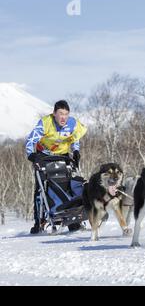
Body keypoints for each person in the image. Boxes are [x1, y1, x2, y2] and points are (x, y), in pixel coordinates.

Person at [25, 100, 87, 234]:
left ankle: (72, 218)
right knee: (41, 189)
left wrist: (76, 151)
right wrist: (31, 155)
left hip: (63, 156)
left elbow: (75, 138)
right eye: (60, 114)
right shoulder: (45, 122)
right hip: (44, 156)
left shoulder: (72, 123)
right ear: (54, 114)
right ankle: (39, 221)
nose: (63, 117)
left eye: (66, 114)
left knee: (68, 185)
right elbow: (30, 140)